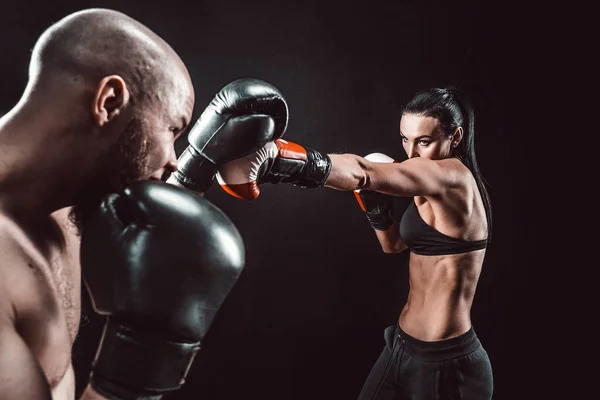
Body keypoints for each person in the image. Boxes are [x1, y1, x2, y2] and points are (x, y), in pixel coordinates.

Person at [0, 7, 286, 400]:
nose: (172, 158)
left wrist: (192, 175)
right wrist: (132, 380)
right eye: (173, 129)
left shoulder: (65, 195)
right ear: (109, 101)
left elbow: (147, 230)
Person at [215, 86, 494, 399]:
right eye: (405, 139)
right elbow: (394, 245)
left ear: (455, 137)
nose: (411, 153)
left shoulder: (452, 177)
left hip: (447, 365)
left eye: (424, 142)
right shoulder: (426, 181)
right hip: (401, 346)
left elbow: (363, 171)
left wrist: (276, 161)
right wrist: (375, 207)